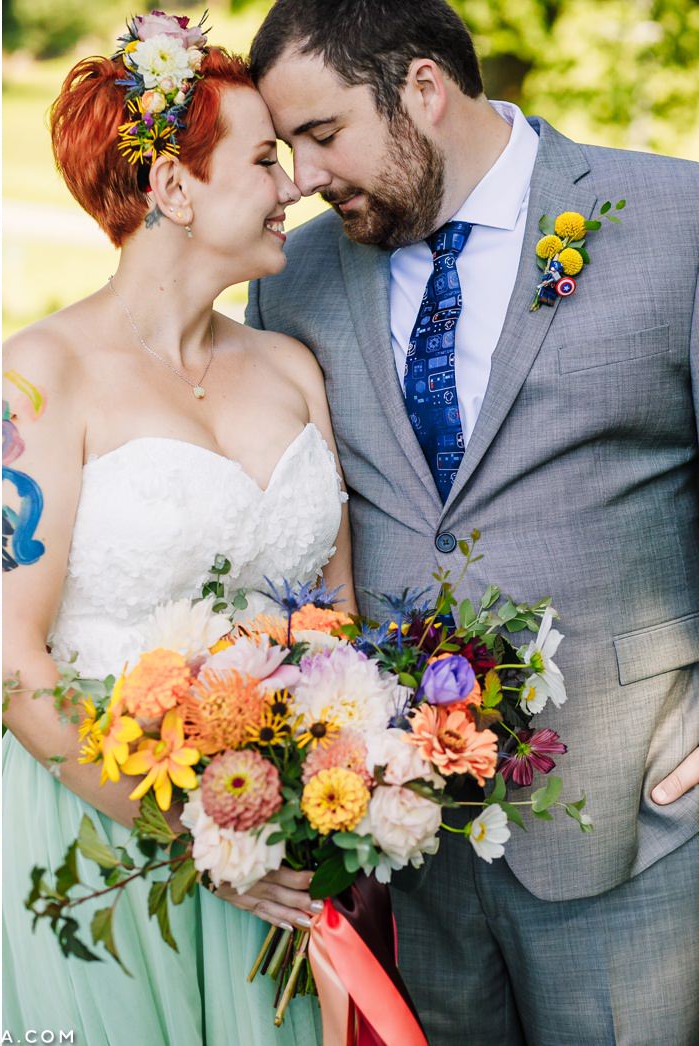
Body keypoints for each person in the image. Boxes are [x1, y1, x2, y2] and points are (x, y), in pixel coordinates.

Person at [246, 1, 699, 1041]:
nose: (304, 177)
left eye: (321, 135)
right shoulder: (293, 281)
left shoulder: (674, 220)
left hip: (638, 820)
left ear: (420, 88)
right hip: (408, 857)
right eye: (286, 147)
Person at [0, 14, 353, 1043]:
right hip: (107, 826)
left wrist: (323, 796)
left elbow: (336, 611)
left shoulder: (290, 367)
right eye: (261, 159)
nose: (291, 185)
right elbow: (18, 660)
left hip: (283, 831)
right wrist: (201, 835)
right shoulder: (38, 376)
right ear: (171, 187)